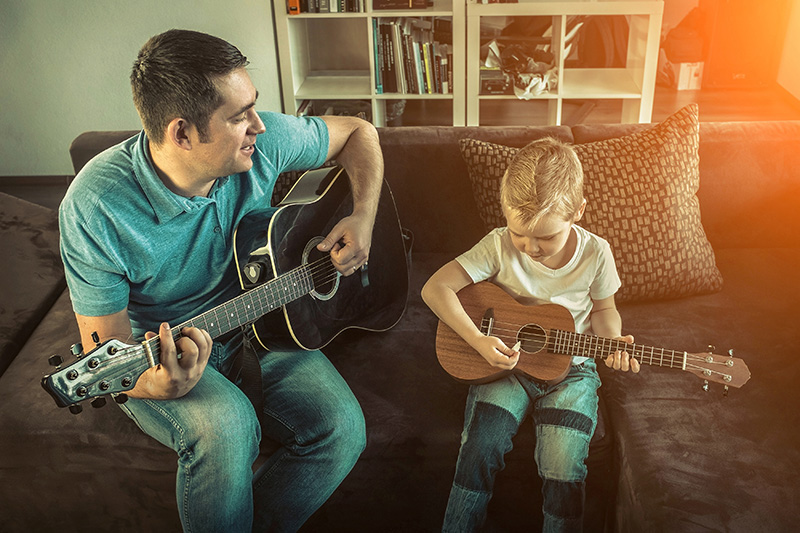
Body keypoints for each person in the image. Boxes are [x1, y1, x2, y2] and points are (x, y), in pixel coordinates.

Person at [59, 29, 384, 532]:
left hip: (266, 323)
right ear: (182, 133)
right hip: (168, 351)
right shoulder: (94, 206)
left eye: (253, 106)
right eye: (238, 117)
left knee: (342, 428)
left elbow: (360, 132)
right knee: (229, 427)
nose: (259, 125)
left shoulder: (262, 143)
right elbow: (109, 347)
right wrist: (158, 383)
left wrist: (363, 214)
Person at [421, 137, 640, 532]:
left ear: (578, 212)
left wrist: (611, 343)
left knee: (563, 463)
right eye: (520, 233)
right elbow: (435, 288)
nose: (530, 248)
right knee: (479, 448)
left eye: (546, 237)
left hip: (571, 372)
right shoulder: (499, 245)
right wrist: (477, 340)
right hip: (505, 366)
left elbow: (605, 310)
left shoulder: (597, 253)